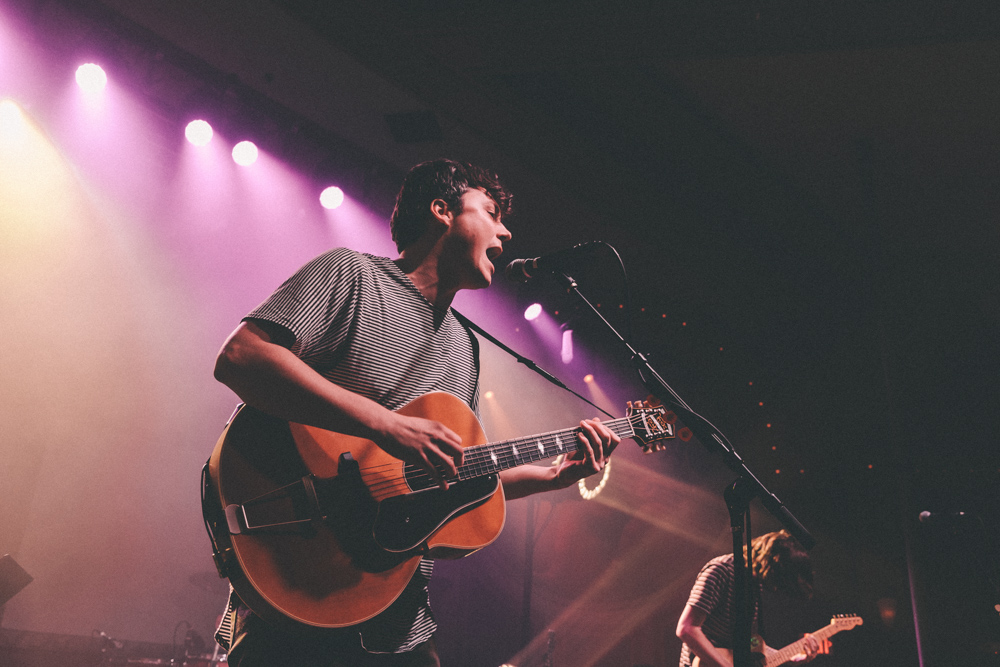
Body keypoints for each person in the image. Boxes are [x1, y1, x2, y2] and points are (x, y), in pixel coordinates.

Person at [212, 159, 619, 666]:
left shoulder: (464, 346)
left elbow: (447, 473)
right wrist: (386, 424)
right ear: (441, 210)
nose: (506, 230)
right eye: (491, 213)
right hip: (300, 598)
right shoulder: (352, 275)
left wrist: (551, 476)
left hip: (398, 620)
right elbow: (242, 357)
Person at [676, 530, 820, 667]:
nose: (775, 588)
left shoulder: (754, 583)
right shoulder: (721, 570)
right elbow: (687, 628)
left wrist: (790, 658)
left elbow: (750, 642)